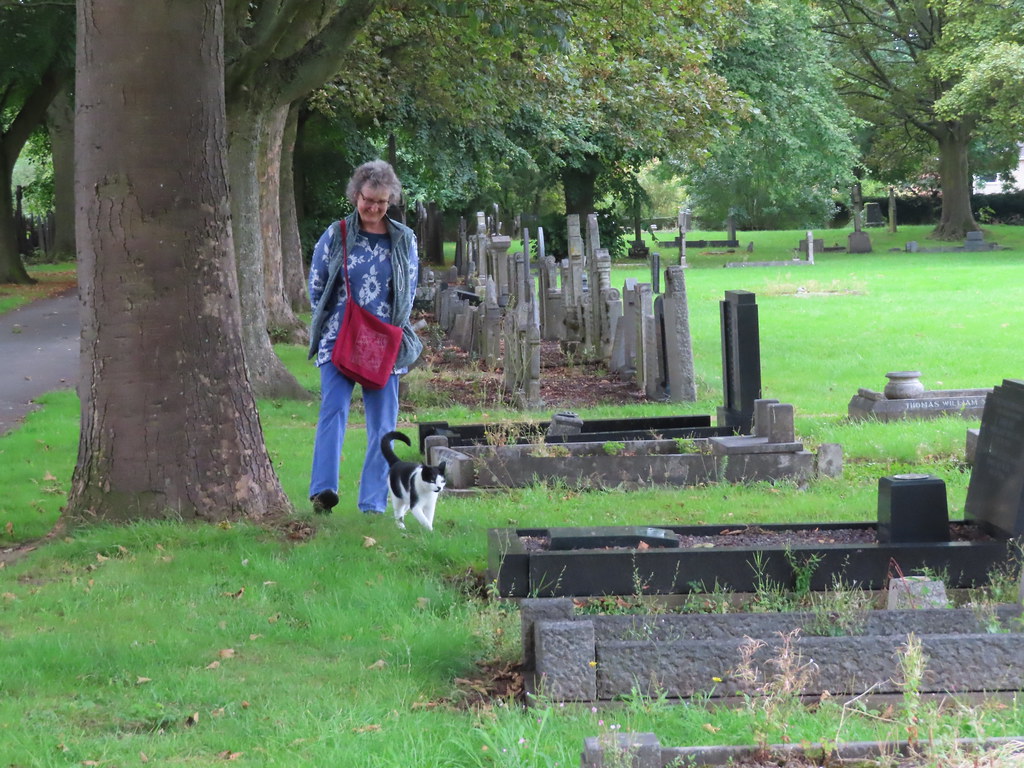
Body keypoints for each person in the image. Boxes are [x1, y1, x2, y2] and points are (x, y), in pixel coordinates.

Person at [307, 160, 423, 515]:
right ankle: (323, 491)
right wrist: (335, 320)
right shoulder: (337, 233)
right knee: (333, 410)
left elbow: (409, 288)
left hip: (384, 343)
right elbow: (317, 283)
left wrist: (388, 327)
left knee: (384, 425)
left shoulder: (403, 238)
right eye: (368, 200)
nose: (374, 208)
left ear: (391, 201)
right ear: (356, 195)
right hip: (339, 339)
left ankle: (372, 503)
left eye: (382, 202)